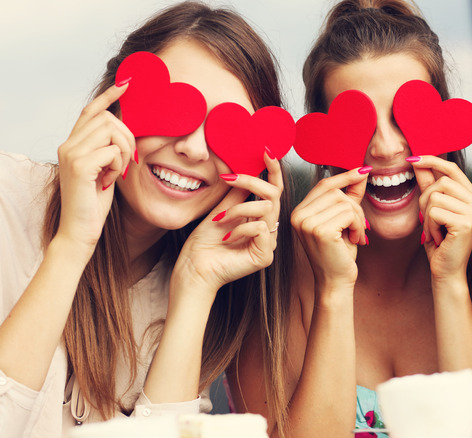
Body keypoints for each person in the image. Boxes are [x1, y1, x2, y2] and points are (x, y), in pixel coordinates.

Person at [228, 1, 472, 437]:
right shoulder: (267, 280)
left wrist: (450, 282)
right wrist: (333, 289)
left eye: (406, 119)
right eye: (360, 123)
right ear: (324, 141)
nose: (386, 148)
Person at [0, 2, 289, 436]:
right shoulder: (8, 199)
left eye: (228, 130)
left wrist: (196, 285)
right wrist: (72, 244)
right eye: (173, 109)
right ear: (114, 106)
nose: (194, 149)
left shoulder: (208, 286)